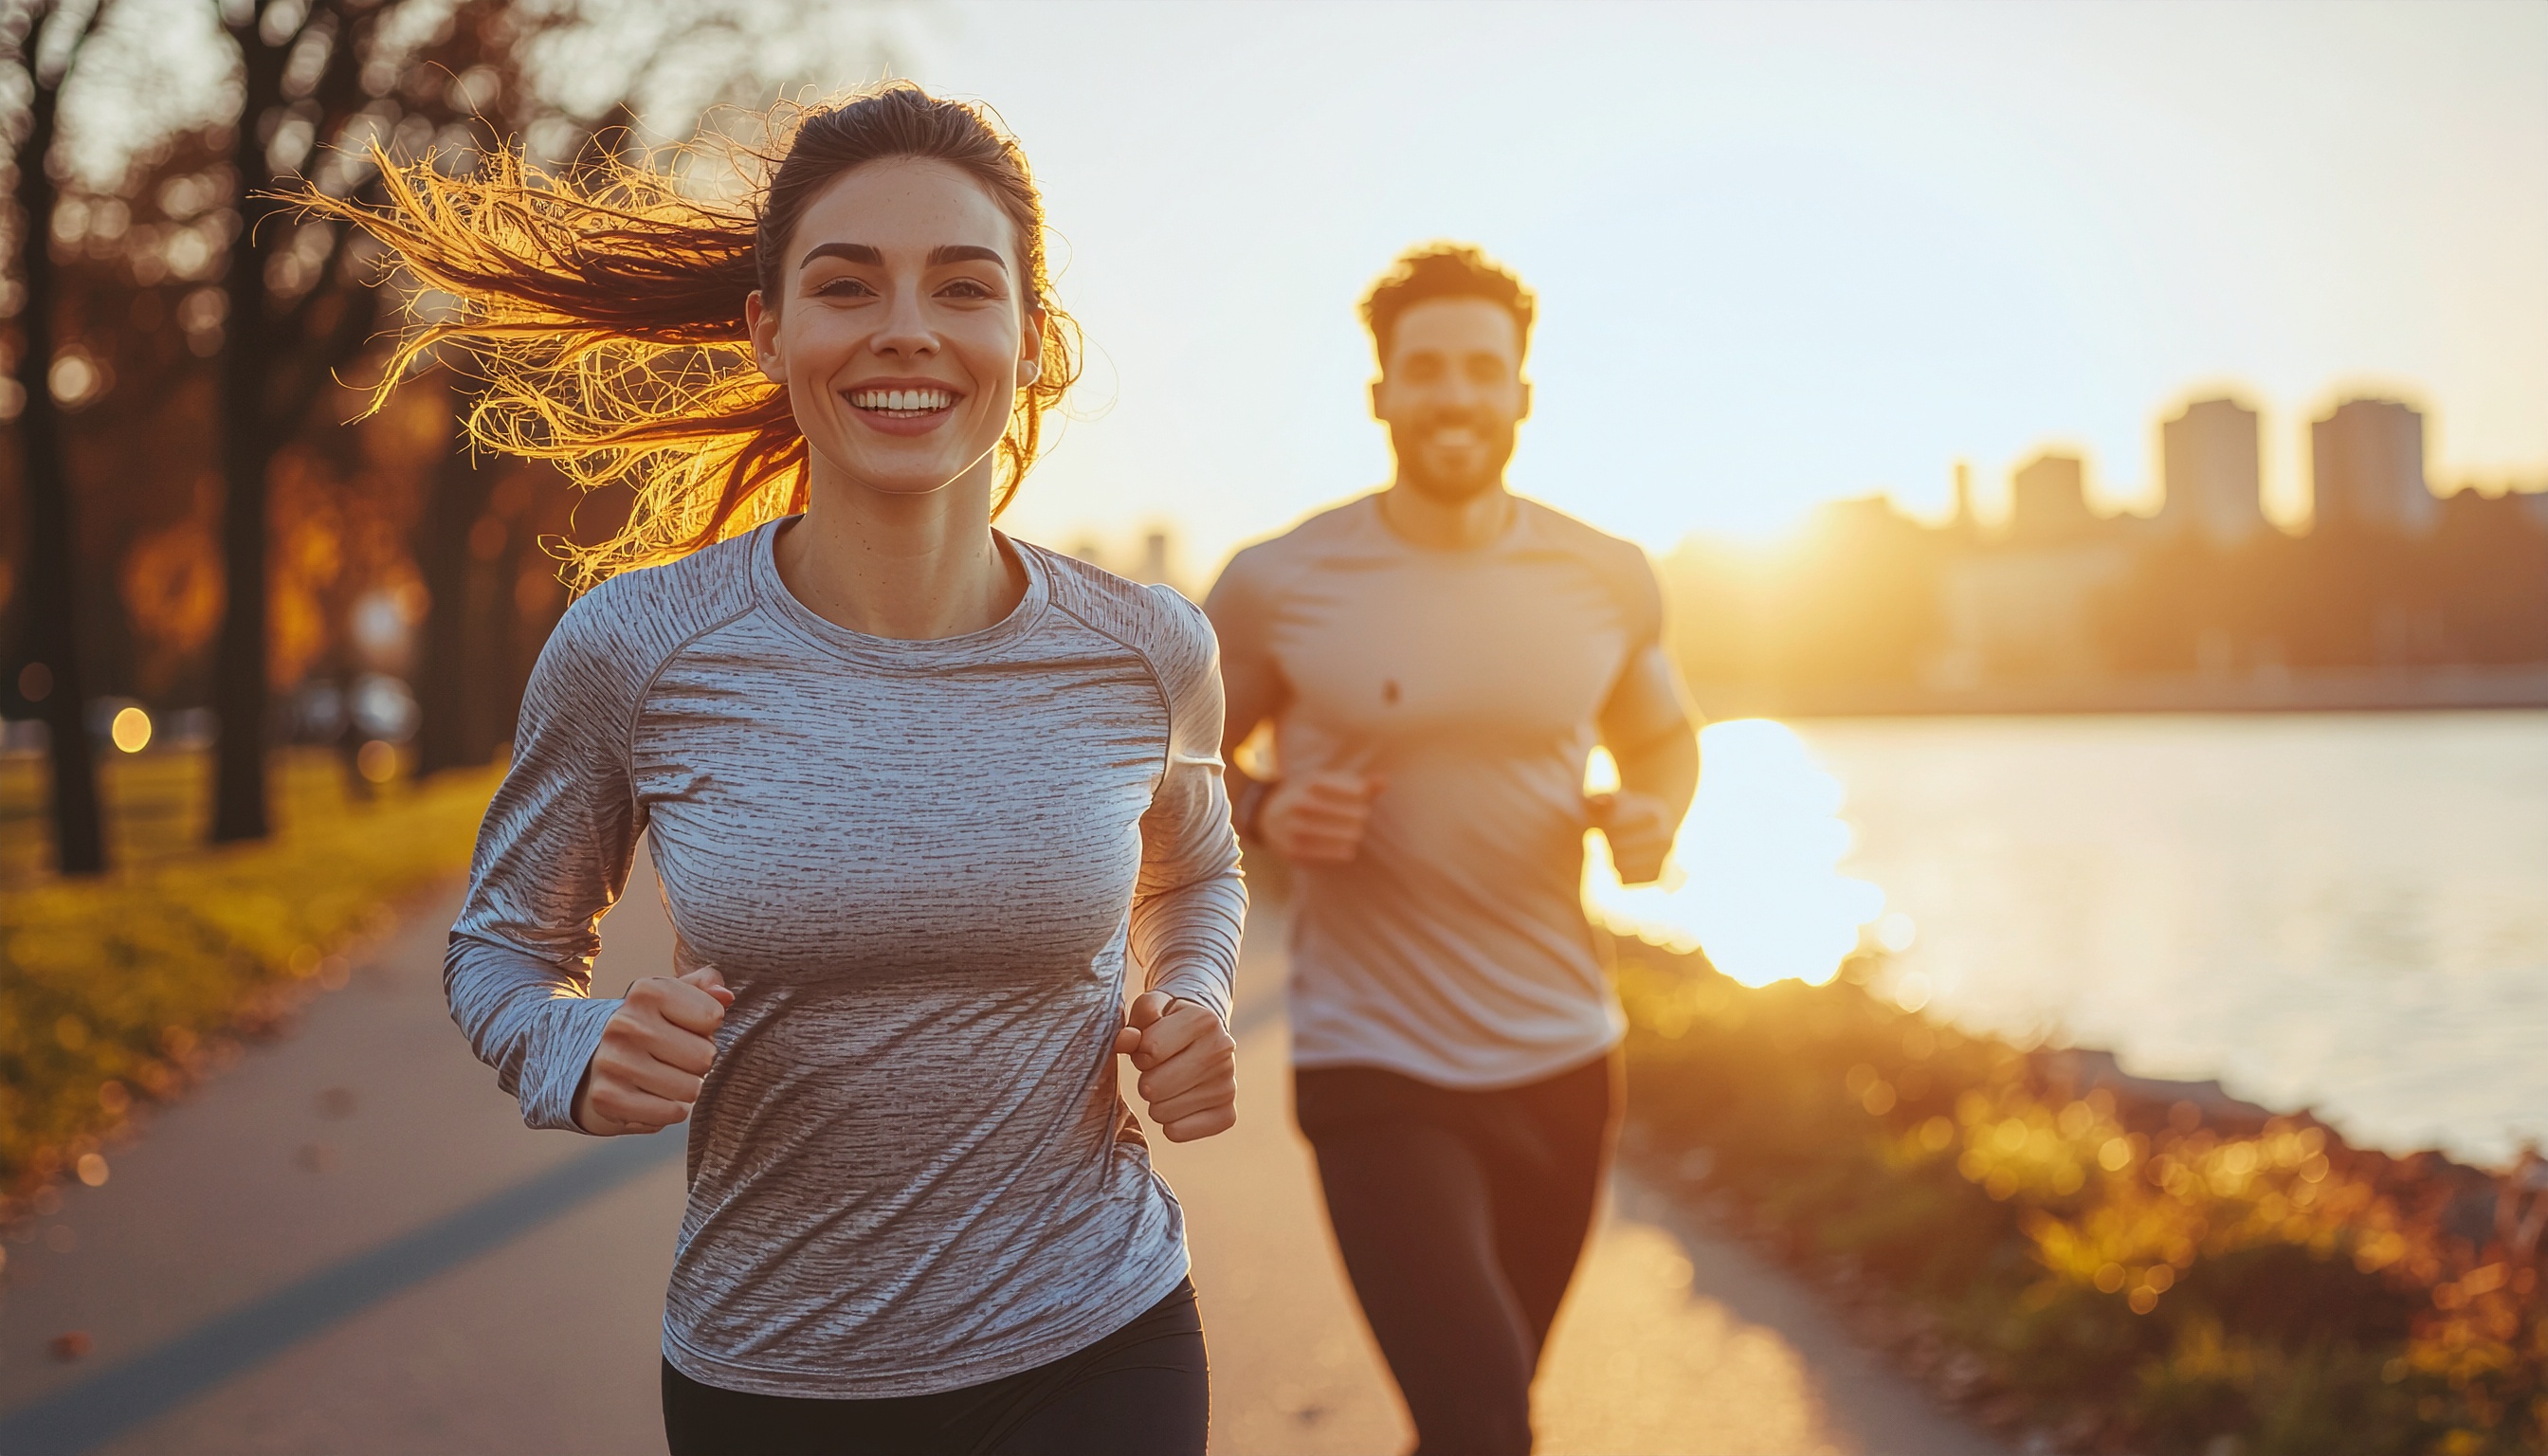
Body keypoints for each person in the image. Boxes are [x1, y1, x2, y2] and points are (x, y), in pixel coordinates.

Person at [313, 85, 1244, 1455]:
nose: (907, 331)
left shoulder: (1149, 647)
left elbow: (1198, 865)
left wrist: (1191, 991)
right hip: (775, 1374)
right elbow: (505, 949)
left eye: (963, 287)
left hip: (1098, 1334)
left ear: (1033, 342)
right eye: (848, 285)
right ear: (770, 330)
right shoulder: (637, 647)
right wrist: (574, 1047)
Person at [1204, 244, 1699, 1455]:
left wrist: (1654, 815)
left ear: (1523, 391)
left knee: (1485, 1410)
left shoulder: (1608, 577)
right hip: (1375, 1061)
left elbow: (1664, 741)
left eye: (1485, 369)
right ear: (1381, 394)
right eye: (1425, 370)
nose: (1456, 396)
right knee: (1484, 1417)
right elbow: (1170, 766)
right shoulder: (1280, 583)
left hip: (1565, 1060)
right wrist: (1266, 811)